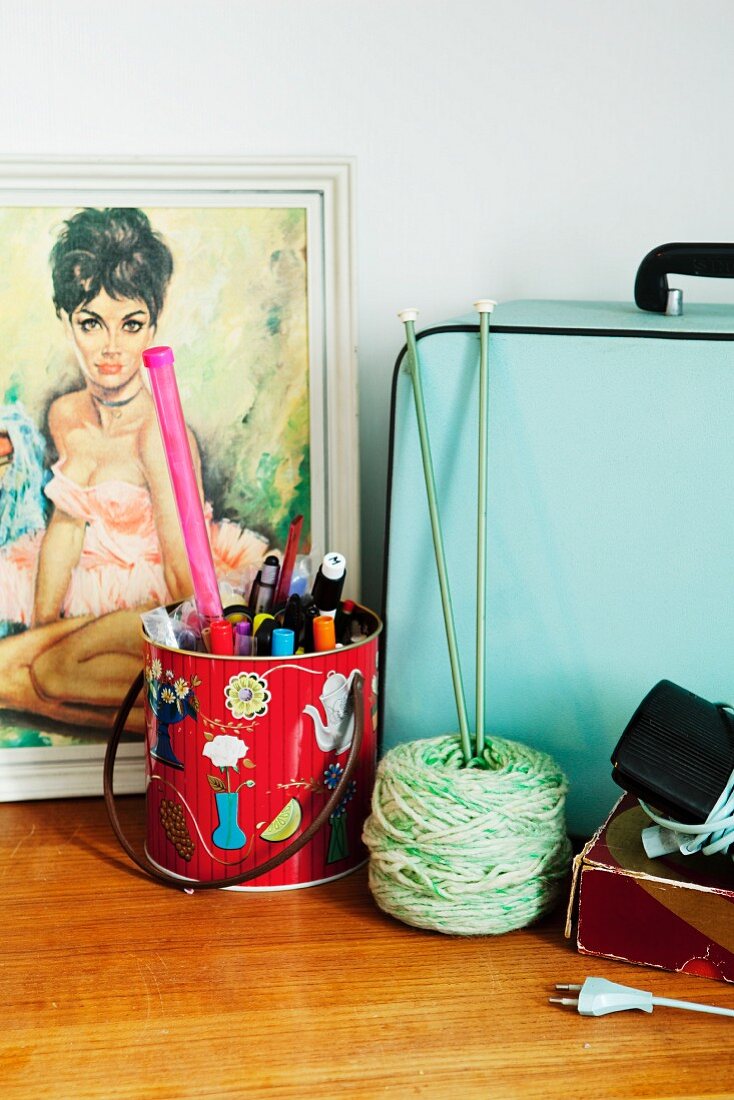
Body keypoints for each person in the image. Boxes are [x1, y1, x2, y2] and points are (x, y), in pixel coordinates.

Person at [0, 207, 266, 731]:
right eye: (91, 323)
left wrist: (189, 647)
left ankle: (204, 710)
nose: (111, 350)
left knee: (51, 672)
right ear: (66, 322)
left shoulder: (159, 434)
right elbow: (66, 530)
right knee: (10, 674)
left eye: (132, 324)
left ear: (154, 325)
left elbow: (179, 576)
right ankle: (169, 717)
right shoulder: (66, 415)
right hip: (93, 583)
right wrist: (44, 630)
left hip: (161, 599)